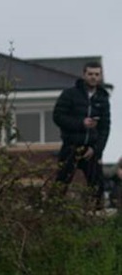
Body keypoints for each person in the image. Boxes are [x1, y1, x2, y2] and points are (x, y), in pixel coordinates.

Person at [52, 62, 112, 207]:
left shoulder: (103, 99)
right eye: (90, 74)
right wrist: (81, 123)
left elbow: (105, 128)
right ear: (84, 75)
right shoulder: (70, 94)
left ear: (100, 76)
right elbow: (58, 117)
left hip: (91, 149)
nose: (93, 77)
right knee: (61, 183)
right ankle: (52, 211)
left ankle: (98, 215)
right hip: (71, 146)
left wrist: (97, 149)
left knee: (97, 186)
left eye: (96, 74)